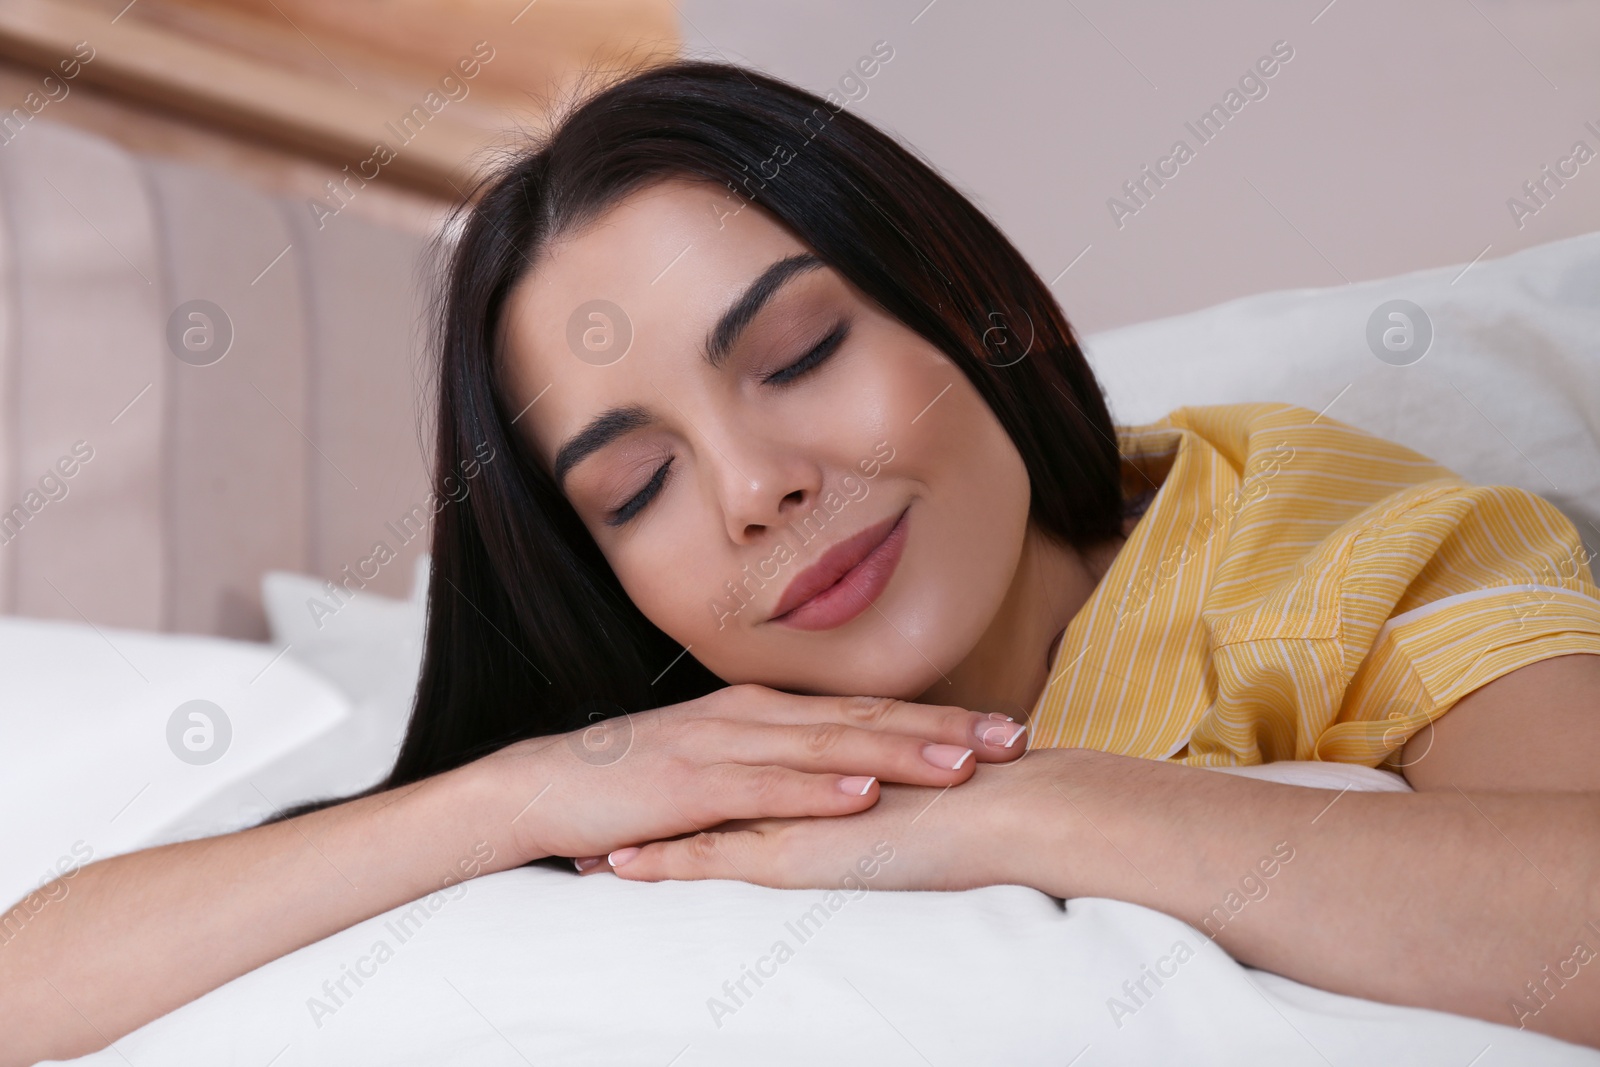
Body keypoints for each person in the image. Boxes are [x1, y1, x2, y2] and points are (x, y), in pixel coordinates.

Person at [6, 58, 1600, 1063]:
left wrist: (1024, 807)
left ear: (959, 302)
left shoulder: (1324, 544)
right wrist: (514, 792)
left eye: (797, 352)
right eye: (637, 487)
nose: (757, 490)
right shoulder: (661, 720)